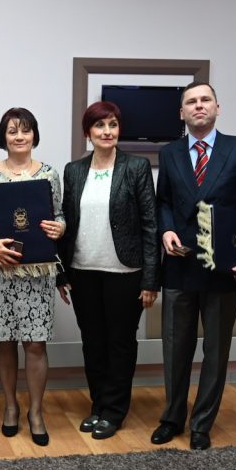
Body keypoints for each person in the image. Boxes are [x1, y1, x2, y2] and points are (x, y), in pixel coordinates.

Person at [151, 81, 236, 450]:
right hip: (180, 264)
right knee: (175, 348)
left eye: (206, 100)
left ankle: (202, 423)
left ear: (218, 108)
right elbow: (163, 201)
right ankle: (172, 417)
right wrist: (166, 230)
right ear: (181, 113)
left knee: (216, 350)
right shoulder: (170, 153)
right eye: (191, 102)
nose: (199, 106)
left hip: (225, 267)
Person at [57, 101, 160, 440]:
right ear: (87, 132)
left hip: (125, 272)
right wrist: (61, 272)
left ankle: (114, 411)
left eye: (112, 124)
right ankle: (98, 405)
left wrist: (151, 279)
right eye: (99, 125)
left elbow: (150, 225)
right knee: (93, 343)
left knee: (120, 343)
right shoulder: (74, 170)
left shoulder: (136, 167)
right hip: (82, 270)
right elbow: (66, 222)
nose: (107, 131)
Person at [0, 107, 65, 446]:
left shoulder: (50, 174)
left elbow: (60, 215)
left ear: (34, 135)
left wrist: (60, 227)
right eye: (12, 131)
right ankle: (10, 406)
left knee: (35, 343)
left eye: (25, 130)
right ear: (3, 137)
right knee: (5, 340)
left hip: (37, 272)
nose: (19, 136)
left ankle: (35, 411)